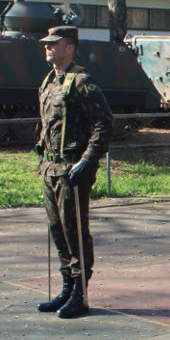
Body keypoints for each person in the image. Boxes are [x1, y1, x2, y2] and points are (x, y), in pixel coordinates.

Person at [35, 25, 112, 319]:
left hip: (71, 168)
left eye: (54, 44)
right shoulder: (49, 82)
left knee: (74, 231)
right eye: (47, 44)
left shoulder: (81, 81)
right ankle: (67, 287)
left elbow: (103, 123)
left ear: (70, 47)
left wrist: (88, 160)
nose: (48, 48)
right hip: (50, 167)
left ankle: (80, 293)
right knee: (58, 231)